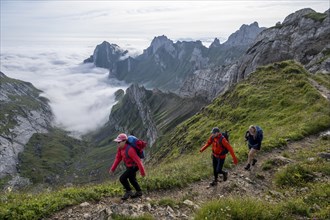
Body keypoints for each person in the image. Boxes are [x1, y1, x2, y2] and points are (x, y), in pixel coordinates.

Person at [109, 133, 146, 200]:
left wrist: (142, 172)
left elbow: (138, 161)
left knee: (122, 178)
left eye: (119, 142)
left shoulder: (130, 150)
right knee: (132, 179)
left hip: (134, 166)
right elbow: (118, 158)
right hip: (129, 166)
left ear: (124, 141)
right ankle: (139, 192)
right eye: (117, 142)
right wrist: (112, 169)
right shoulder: (120, 149)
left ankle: (129, 191)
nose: (118, 144)